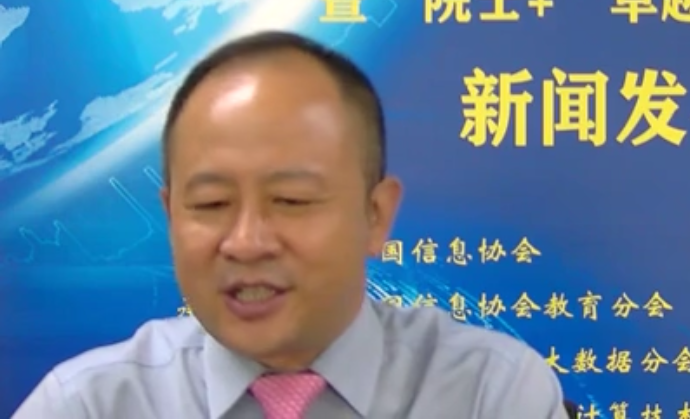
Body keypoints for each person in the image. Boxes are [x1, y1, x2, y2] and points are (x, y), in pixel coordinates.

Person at [14, 30, 568, 418]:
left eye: (291, 200)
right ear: (171, 216)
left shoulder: (489, 393)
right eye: (211, 204)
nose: (246, 242)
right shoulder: (89, 405)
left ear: (376, 216)